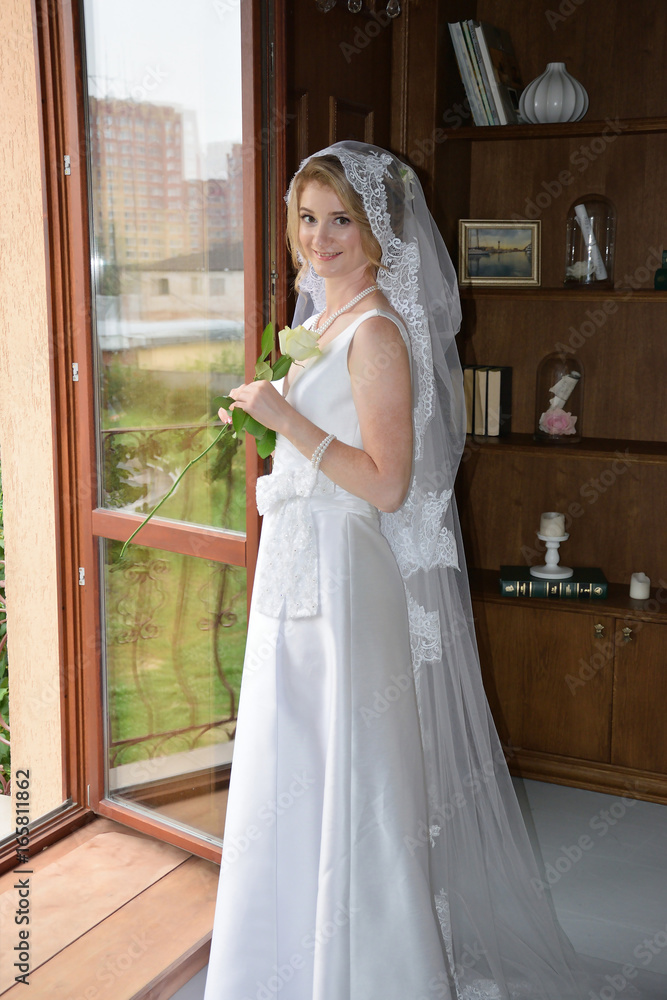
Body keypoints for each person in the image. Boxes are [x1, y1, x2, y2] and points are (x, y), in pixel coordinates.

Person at [203, 142, 620, 1000]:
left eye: (341, 221)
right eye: (309, 218)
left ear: (377, 230)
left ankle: (366, 974)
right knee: (289, 770)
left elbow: (388, 485)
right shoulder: (314, 326)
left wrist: (284, 415)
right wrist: (268, 425)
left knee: (345, 777)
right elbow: (319, 453)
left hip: (347, 580)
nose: (320, 238)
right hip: (296, 573)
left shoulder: (379, 333)